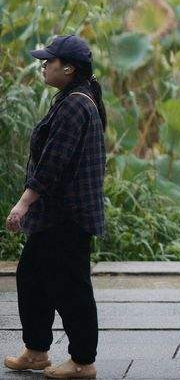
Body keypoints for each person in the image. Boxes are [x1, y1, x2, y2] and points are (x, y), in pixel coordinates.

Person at [4, 35, 108, 380]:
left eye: (49, 61)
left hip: (68, 215)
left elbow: (53, 163)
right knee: (32, 277)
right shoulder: (71, 99)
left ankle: (82, 362)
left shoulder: (76, 105)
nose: (43, 66)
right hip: (56, 213)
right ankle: (36, 351)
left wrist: (22, 204)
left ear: (69, 68)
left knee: (71, 286)